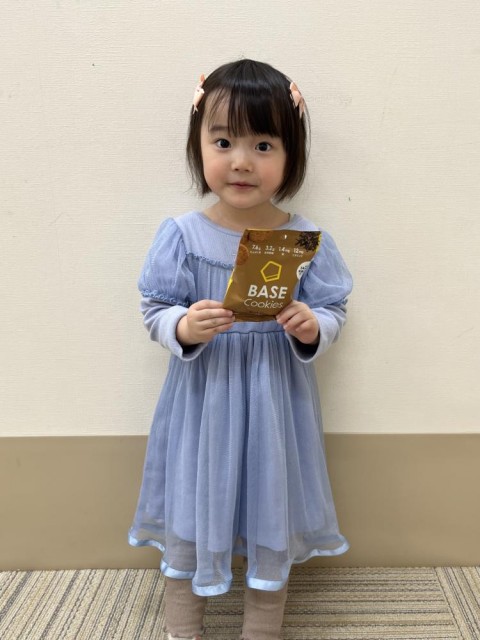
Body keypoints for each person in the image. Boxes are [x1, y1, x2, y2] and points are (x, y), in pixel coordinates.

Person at [129, 59, 353, 640]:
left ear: (291, 155)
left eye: (264, 144)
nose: (242, 161)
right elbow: (155, 308)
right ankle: (183, 629)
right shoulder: (183, 235)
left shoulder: (303, 240)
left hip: (275, 406)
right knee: (190, 512)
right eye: (224, 141)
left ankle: (261, 630)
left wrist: (312, 326)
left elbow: (334, 307)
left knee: (270, 513)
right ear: (198, 147)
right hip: (203, 403)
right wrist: (184, 325)